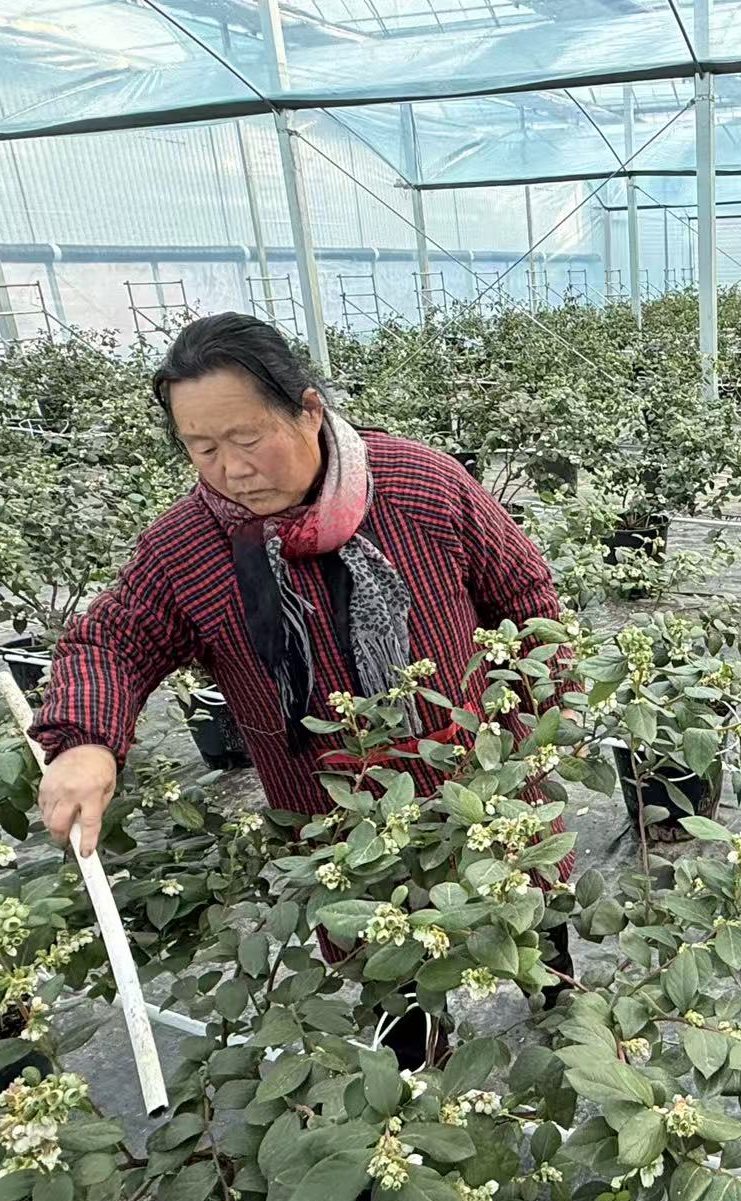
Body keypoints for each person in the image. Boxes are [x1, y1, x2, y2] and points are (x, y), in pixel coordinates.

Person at [31, 312, 575, 1057]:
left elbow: (526, 598)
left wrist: (532, 729)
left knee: (531, 907)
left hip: (476, 779)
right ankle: (415, 1071)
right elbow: (111, 641)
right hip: (333, 809)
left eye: (247, 437)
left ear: (309, 410)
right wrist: (86, 741)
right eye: (202, 448)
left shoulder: (420, 485)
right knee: (388, 963)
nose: (231, 468)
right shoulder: (185, 550)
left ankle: (560, 1000)